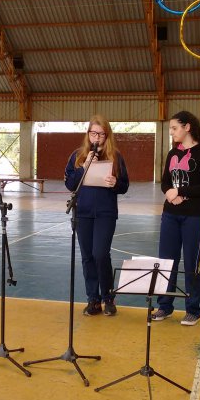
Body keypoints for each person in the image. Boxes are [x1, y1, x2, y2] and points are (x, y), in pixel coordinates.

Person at [152, 111, 200, 326]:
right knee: (166, 261)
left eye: (174, 128)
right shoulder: (172, 153)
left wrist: (179, 191)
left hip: (195, 216)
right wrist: (170, 193)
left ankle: (192, 309)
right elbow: (165, 182)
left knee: (192, 263)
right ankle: (164, 306)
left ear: (187, 127)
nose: (171, 132)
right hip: (170, 215)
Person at [64, 115, 130, 316]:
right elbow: (70, 184)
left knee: (100, 254)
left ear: (107, 136)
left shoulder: (115, 156)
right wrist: (83, 168)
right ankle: (93, 299)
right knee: (87, 257)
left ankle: (108, 297)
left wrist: (115, 183)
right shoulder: (77, 156)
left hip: (105, 213)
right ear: (88, 134)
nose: (97, 137)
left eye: (101, 134)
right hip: (83, 213)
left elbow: (124, 185)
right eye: (93, 133)